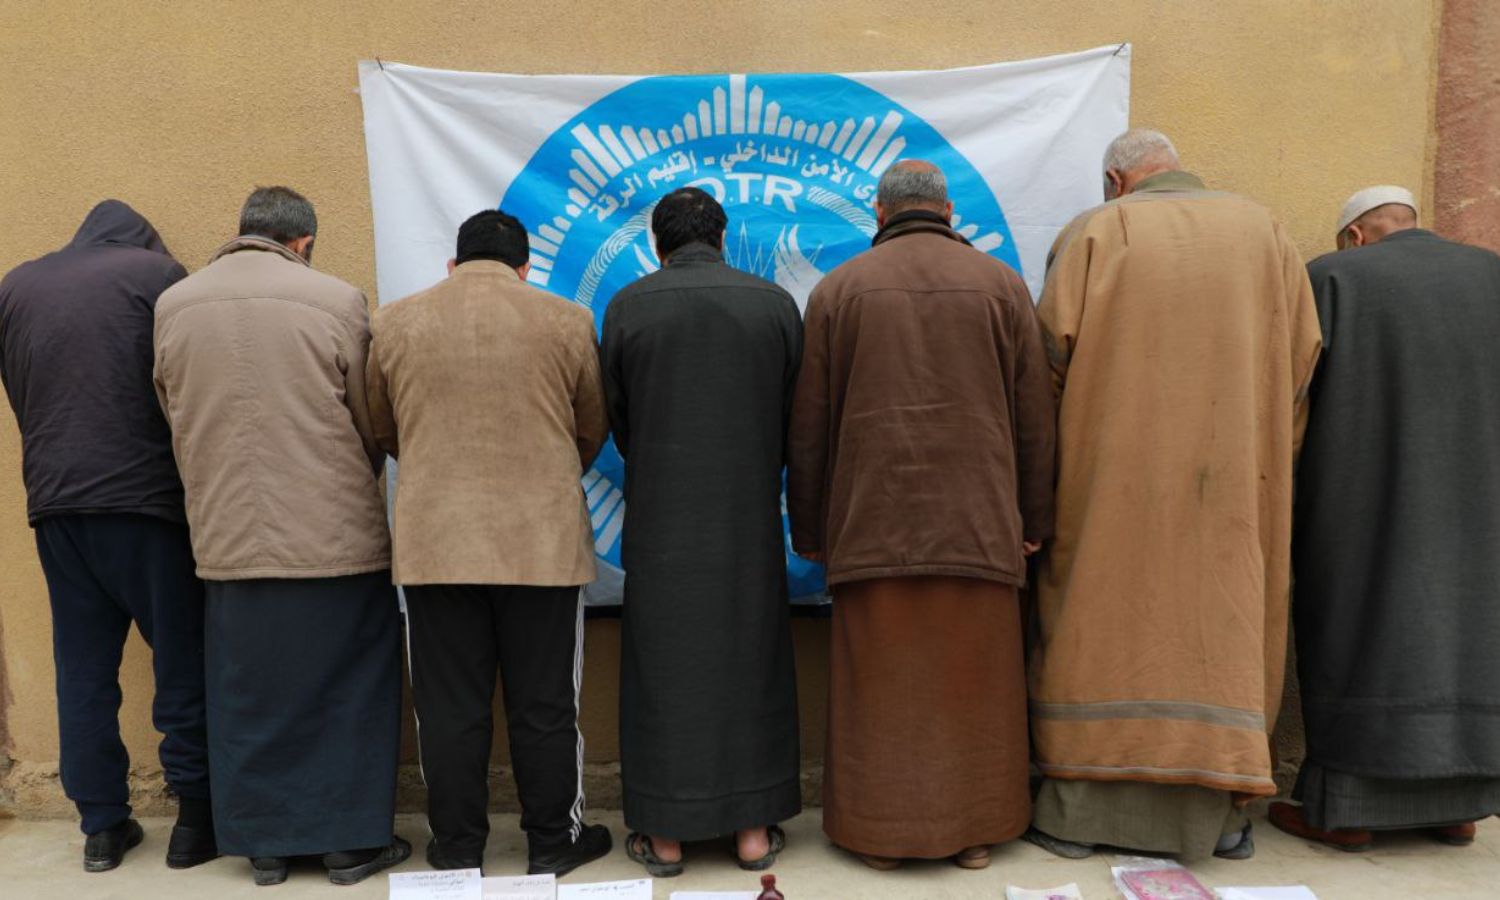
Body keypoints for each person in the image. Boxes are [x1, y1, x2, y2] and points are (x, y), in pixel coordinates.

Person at [1024, 130, 1322, 862]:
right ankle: (1220, 819)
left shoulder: (1096, 231)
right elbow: (1302, 370)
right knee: (1218, 635)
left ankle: (1076, 817)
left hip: (1104, 495)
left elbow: (1044, 372)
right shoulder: (1267, 233)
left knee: (1095, 634)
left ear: (1116, 181)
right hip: (1233, 491)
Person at [786, 160, 1056, 870]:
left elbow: (808, 426)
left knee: (879, 689)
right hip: (978, 522)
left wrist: (811, 529)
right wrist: (1033, 518)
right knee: (976, 689)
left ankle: (880, 837)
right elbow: (1035, 419)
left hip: (871, 524)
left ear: (880, 212)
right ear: (946, 211)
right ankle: (973, 836)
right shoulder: (1002, 287)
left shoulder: (838, 290)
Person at [153, 186, 408, 886]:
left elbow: (168, 407)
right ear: (303, 243)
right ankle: (348, 842)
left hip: (227, 537)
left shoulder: (176, 305)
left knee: (248, 695)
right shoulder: (334, 300)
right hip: (332, 534)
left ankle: (264, 846)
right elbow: (371, 417)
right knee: (348, 690)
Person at [366, 209, 613, 877]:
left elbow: (384, 428)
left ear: (452, 265)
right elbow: (589, 426)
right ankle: (551, 845)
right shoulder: (566, 320)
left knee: (448, 708)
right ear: (524, 267)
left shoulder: (394, 321)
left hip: (436, 541)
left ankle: (456, 848)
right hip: (542, 543)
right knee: (545, 705)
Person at [1269, 186, 1500, 851]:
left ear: (1358, 237)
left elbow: (1291, 391)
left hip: (1359, 497)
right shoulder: (1490, 275)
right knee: (1471, 635)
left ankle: (1347, 811)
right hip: (1477, 502)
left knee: (1358, 629)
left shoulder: (1334, 276)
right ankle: (1461, 807)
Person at [0, 201, 214, 873]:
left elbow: (22, 392)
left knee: (84, 671)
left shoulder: (17, 285)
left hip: (57, 506)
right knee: (180, 660)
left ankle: (100, 827)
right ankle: (195, 820)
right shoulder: (157, 275)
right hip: (146, 502)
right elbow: (183, 382)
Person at [600, 187, 804, 877]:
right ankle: (752, 832)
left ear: (659, 243)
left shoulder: (629, 306)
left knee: (666, 670)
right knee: (751, 660)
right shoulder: (773, 305)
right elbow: (792, 421)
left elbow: (620, 423)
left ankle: (666, 839)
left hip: (662, 517)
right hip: (746, 515)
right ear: (721, 237)